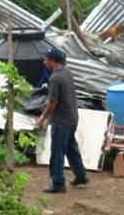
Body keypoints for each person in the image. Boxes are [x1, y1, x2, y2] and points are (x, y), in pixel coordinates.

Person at [36, 48, 88, 194]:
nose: (44, 62)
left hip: (61, 120)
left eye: (46, 59)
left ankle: (58, 183)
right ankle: (81, 176)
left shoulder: (55, 78)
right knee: (71, 148)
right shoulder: (67, 72)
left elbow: (52, 102)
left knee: (57, 152)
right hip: (72, 117)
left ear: (53, 61)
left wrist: (42, 118)